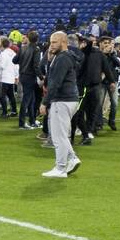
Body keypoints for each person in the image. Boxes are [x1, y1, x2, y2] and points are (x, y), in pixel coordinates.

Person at [40, 31, 80, 178]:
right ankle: (72, 158)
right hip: (68, 100)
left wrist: (45, 102)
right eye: (50, 42)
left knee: (59, 136)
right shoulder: (63, 57)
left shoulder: (62, 58)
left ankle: (60, 168)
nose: (51, 46)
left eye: (54, 42)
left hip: (62, 100)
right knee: (62, 135)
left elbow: (56, 83)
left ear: (63, 42)